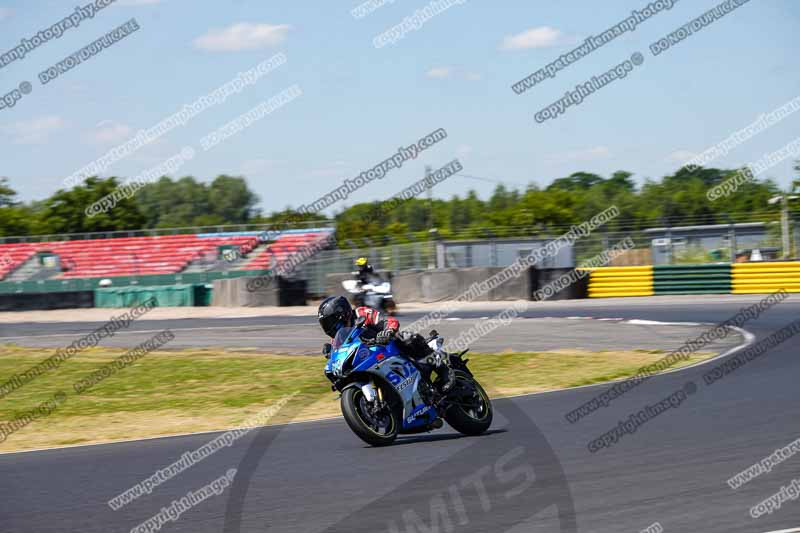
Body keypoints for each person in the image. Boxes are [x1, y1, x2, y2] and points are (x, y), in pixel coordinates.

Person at [317, 295, 453, 392]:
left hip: (387, 346)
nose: (329, 328)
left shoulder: (361, 313)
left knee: (406, 337)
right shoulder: (338, 339)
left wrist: (388, 331)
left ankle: (443, 369)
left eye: (330, 322)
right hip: (371, 361)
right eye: (325, 325)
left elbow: (388, 321)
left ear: (341, 314)